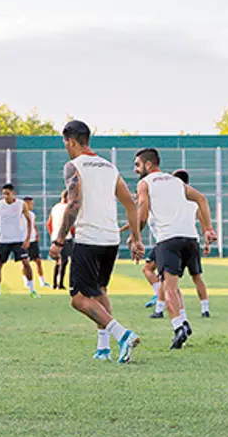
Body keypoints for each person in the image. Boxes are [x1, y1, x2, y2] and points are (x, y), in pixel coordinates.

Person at [50, 120, 143, 363]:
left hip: (88, 239)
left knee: (79, 299)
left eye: (65, 144)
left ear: (70, 142)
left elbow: (74, 204)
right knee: (100, 292)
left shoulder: (73, 166)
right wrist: (135, 238)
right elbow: (131, 204)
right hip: (110, 241)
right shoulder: (109, 167)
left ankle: (122, 335)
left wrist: (59, 241)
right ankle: (104, 349)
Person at [133, 149, 216, 349]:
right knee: (179, 284)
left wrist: (135, 238)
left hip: (168, 240)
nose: (135, 170)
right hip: (191, 240)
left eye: (137, 165)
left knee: (167, 287)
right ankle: (185, 321)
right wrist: (208, 229)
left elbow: (142, 215)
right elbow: (202, 199)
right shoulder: (177, 182)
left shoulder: (145, 184)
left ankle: (178, 326)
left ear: (148, 165)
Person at [173, 169, 213, 318]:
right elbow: (203, 222)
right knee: (197, 277)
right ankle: (205, 308)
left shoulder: (174, 201)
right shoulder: (194, 201)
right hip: (192, 241)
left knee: (170, 280)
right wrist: (206, 241)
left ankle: (178, 314)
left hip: (175, 240)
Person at [0, 184, 37, 297]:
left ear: (13, 193)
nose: (5, 196)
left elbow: (29, 221)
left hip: (18, 240)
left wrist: (27, 239)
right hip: (4, 241)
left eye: (8, 193)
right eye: (4, 194)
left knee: (26, 263)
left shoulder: (21, 204)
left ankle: (32, 289)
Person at [47, 190, 74, 290]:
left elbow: (49, 223)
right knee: (66, 260)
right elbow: (70, 223)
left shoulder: (55, 207)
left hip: (55, 237)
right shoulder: (69, 208)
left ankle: (55, 283)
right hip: (66, 237)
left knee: (59, 261)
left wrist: (53, 235)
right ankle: (61, 283)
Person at [23, 197, 50, 288]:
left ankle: (42, 281)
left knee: (38, 261)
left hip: (33, 240)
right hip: (25, 240)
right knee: (25, 262)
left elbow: (33, 225)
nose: (32, 205)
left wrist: (37, 234)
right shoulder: (21, 214)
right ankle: (26, 280)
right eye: (31, 203)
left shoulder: (32, 214)